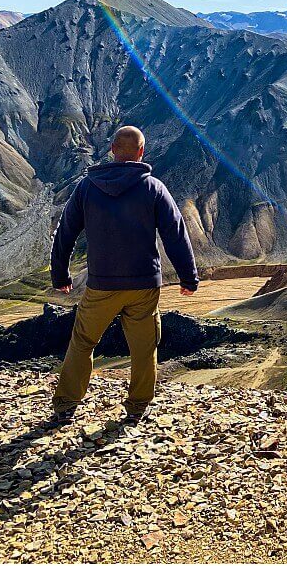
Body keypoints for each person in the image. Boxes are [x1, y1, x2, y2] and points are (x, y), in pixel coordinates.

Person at [49, 125, 199, 422]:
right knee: (143, 348)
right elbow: (176, 234)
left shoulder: (87, 187)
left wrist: (60, 276)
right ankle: (137, 407)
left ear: (112, 150)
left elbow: (65, 233)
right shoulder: (153, 188)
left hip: (102, 283)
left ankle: (67, 404)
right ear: (141, 152)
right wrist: (187, 276)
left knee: (83, 341)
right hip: (144, 284)